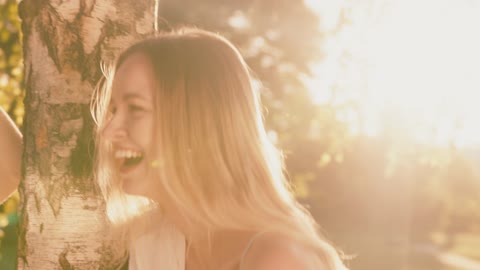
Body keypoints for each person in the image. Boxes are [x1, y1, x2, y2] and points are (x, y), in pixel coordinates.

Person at [2, 27, 349, 270]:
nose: (108, 131)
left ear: (195, 125)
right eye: (112, 110)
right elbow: (21, 173)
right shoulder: (154, 238)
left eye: (134, 109)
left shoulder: (276, 259)